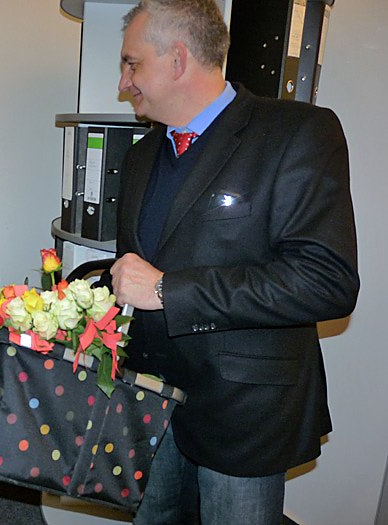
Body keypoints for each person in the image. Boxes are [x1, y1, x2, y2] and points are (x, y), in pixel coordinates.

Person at [109, 1, 359, 524]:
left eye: (132, 64)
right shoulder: (139, 156)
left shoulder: (296, 133)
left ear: (178, 59)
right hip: (149, 401)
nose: (123, 83)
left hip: (244, 412)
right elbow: (137, 271)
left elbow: (326, 281)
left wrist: (168, 291)